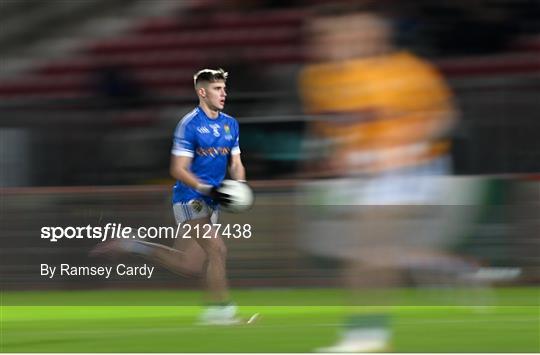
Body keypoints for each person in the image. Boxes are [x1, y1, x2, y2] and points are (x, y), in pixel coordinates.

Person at [298, 7, 465, 352]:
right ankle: (433, 264)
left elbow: (445, 117)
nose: (340, 41)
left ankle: (365, 335)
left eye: (353, 32)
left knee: (367, 249)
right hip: (368, 171)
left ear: (376, 35)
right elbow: (334, 128)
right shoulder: (316, 79)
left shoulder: (408, 70)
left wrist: (405, 147)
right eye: (329, 35)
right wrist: (338, 156)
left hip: (416, 165)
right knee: (368, 252)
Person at [92, 68, 247, 325]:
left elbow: (236, 162)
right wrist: (210, 189)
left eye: (224, 88)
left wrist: (239, 185)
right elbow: (178, 169)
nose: (223, 93)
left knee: (189, 264)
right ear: (202, 92)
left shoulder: (231, 124)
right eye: (217, 89)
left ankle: (132, 244)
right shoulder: (189, 125)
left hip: (213, 200)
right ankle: (221, 311)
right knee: (217, 248)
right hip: (190, 197)